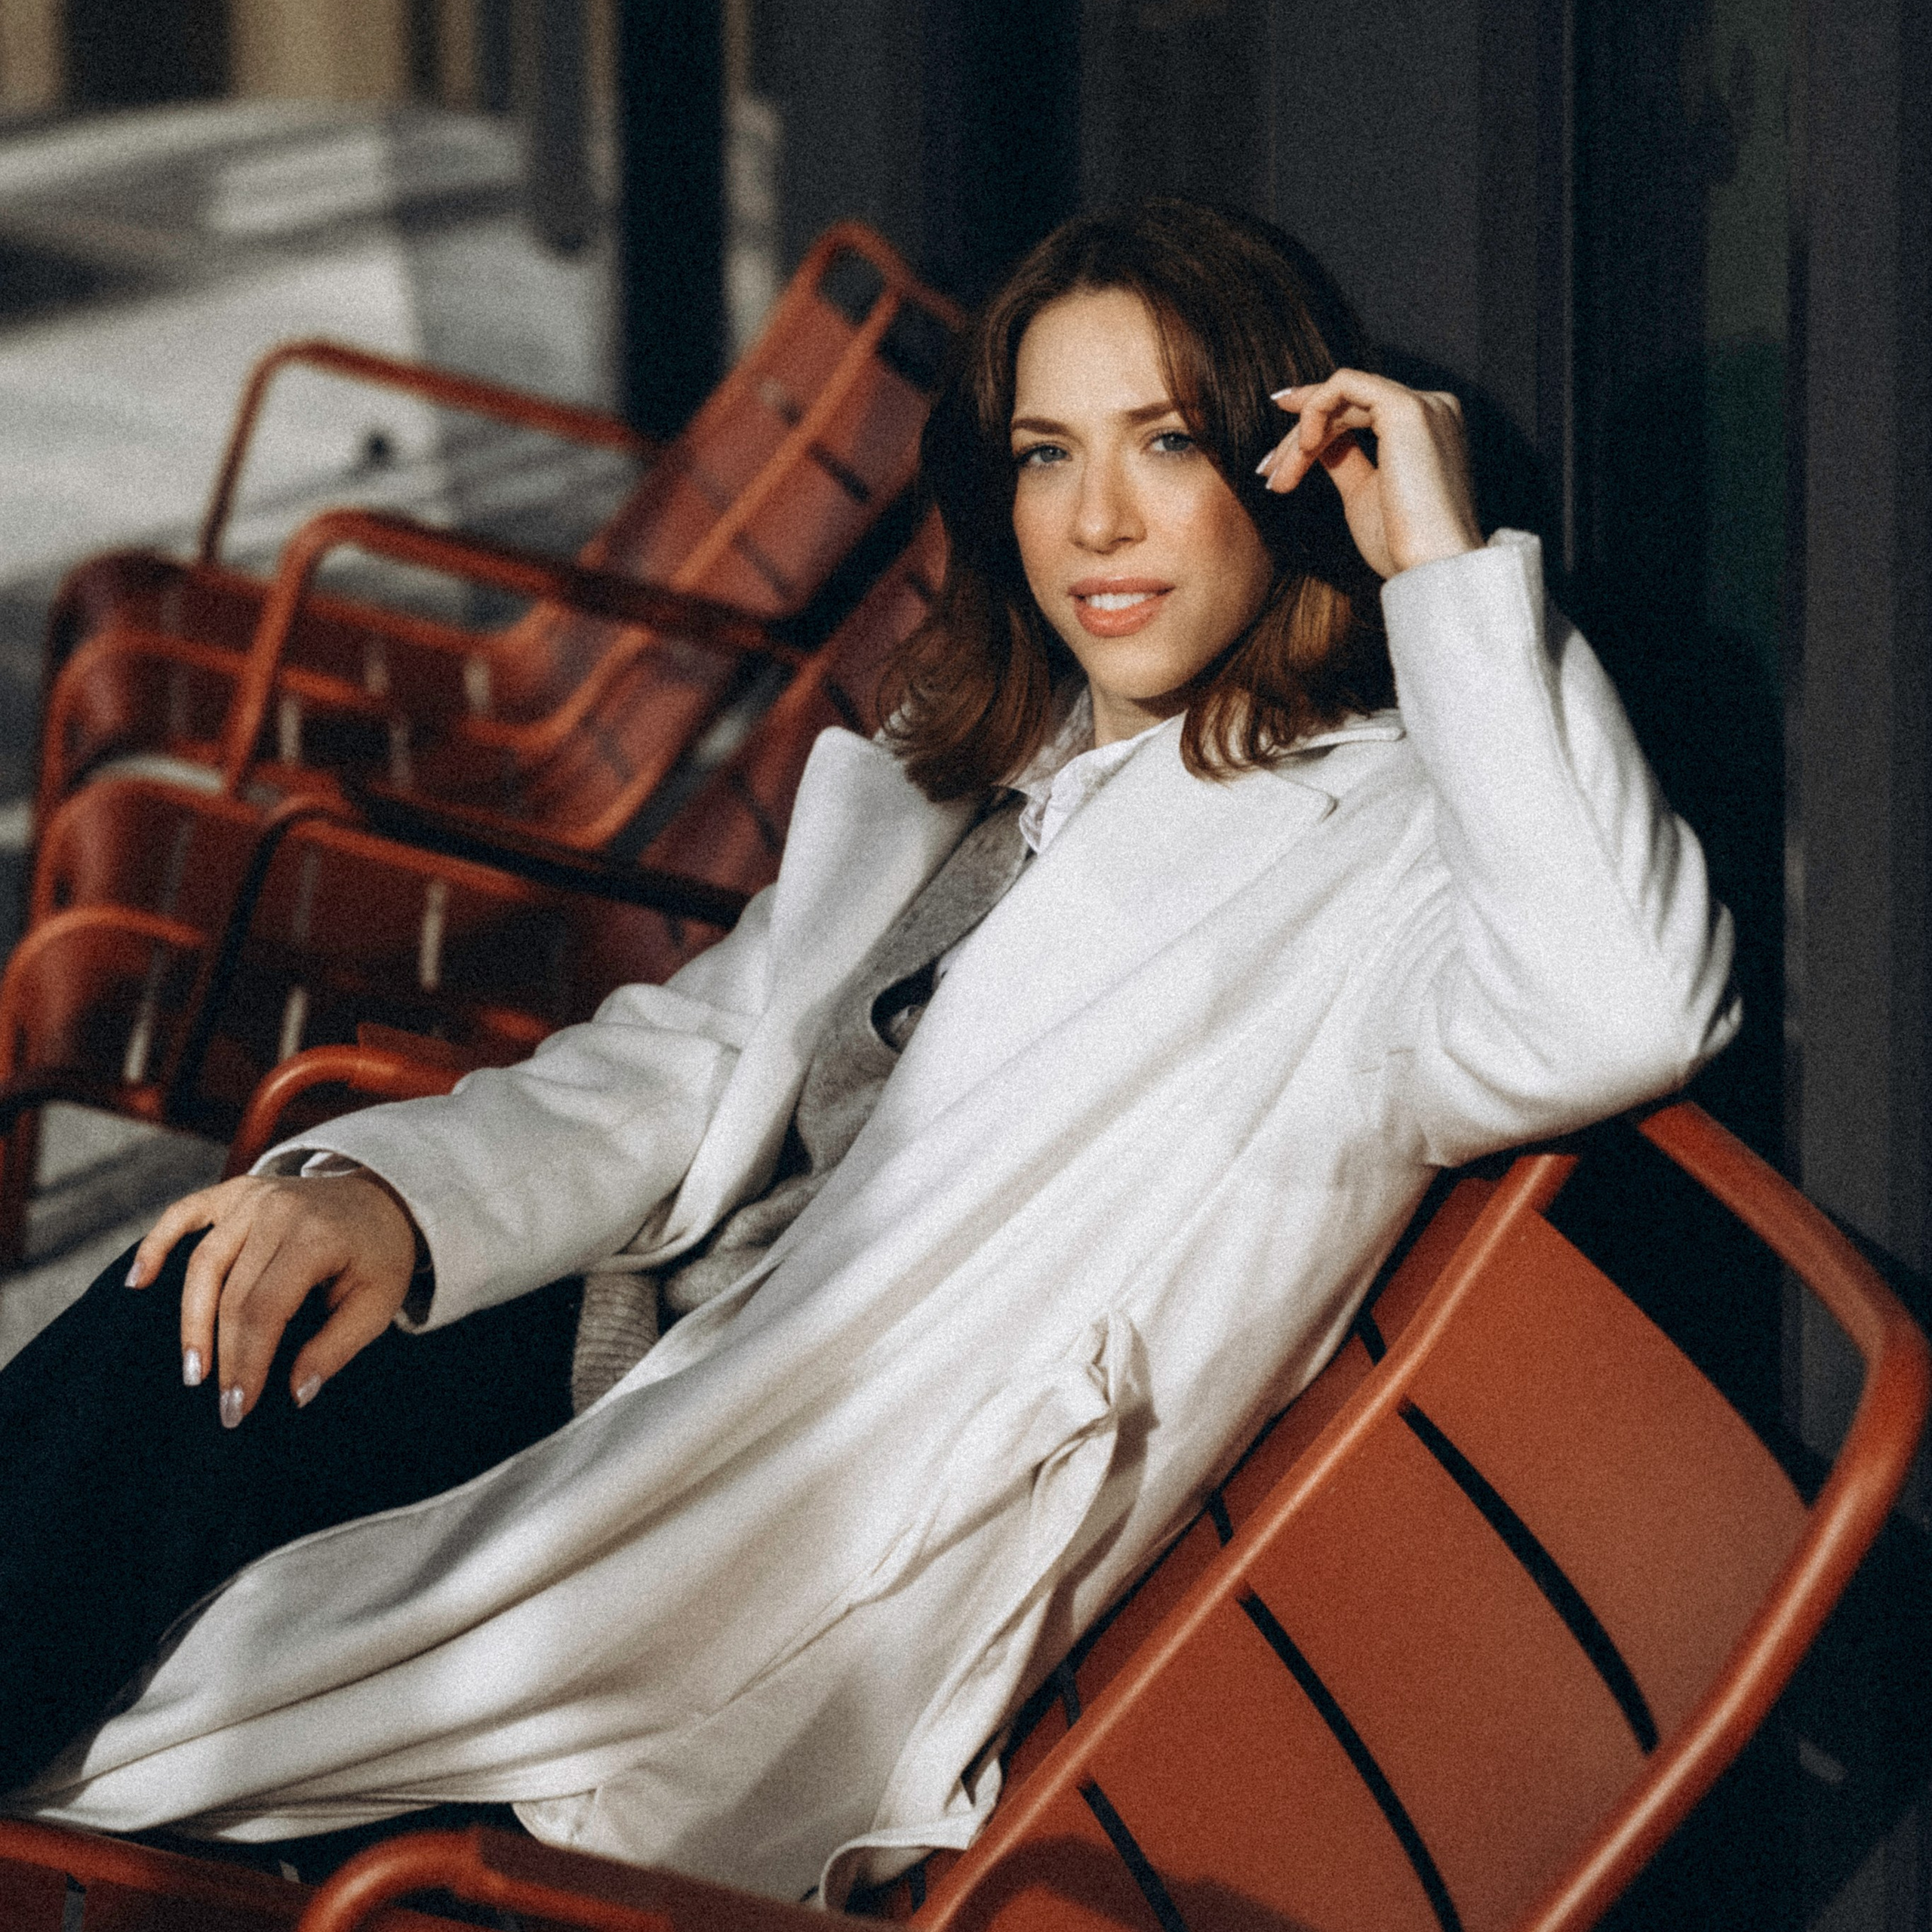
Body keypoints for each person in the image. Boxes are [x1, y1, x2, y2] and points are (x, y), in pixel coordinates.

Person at [0, 199, 1737, 1906]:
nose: (1097, 523)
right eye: (1046, 456)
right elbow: (708, 1046)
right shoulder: (1005, 742)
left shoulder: (1355, 863)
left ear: (1289, 472)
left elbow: (1622, 999)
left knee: (158, 1485)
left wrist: (1442, 567)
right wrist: (396, 1195)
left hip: (764, 1514)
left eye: (1165, 444)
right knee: (216, 1290)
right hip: (637, 1336)